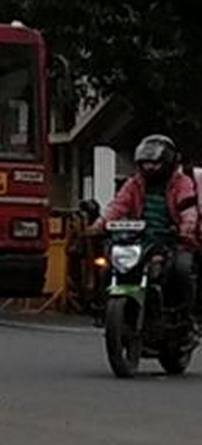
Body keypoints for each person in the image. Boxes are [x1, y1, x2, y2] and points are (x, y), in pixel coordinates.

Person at [90, 134, 199, 319]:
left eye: (155, 163)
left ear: (168, 162)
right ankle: (102, 308)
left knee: (182, 269)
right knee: (108, 267)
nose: (149, 168)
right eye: (145, 163)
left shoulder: (182, 183)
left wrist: (186, 228)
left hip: (172, 241)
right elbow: (118, 205)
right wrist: (101, 223)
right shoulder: (134, 183)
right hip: (138, 242)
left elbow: (188, 209)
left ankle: (185, 315)